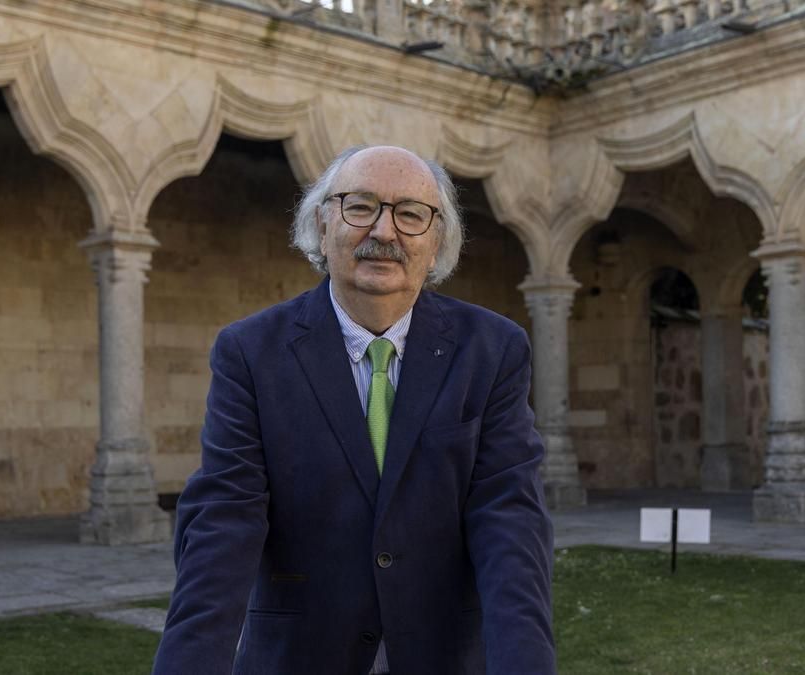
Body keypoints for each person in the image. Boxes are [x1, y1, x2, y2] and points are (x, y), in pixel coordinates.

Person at [152, 145, 555, 675]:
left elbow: (509, 519)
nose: (385, 232)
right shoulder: (251, 352)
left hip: (446, 655)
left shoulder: (493, 349)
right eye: (360, 207)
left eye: (411, 214)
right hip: (299, 655)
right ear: (323, 225)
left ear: (435, 244)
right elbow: (224, 519)